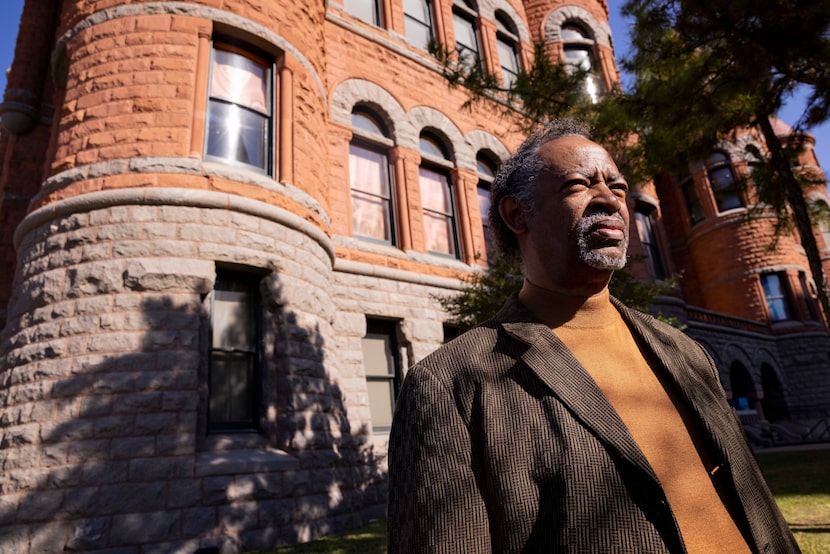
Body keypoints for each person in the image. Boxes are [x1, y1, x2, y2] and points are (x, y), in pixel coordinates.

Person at [387, 120, 799, 553]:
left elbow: (760, 509)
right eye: (579, 185)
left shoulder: (685, 352)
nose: (610, 201)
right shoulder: (450, 381)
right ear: (516, 214)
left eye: (618, 188)